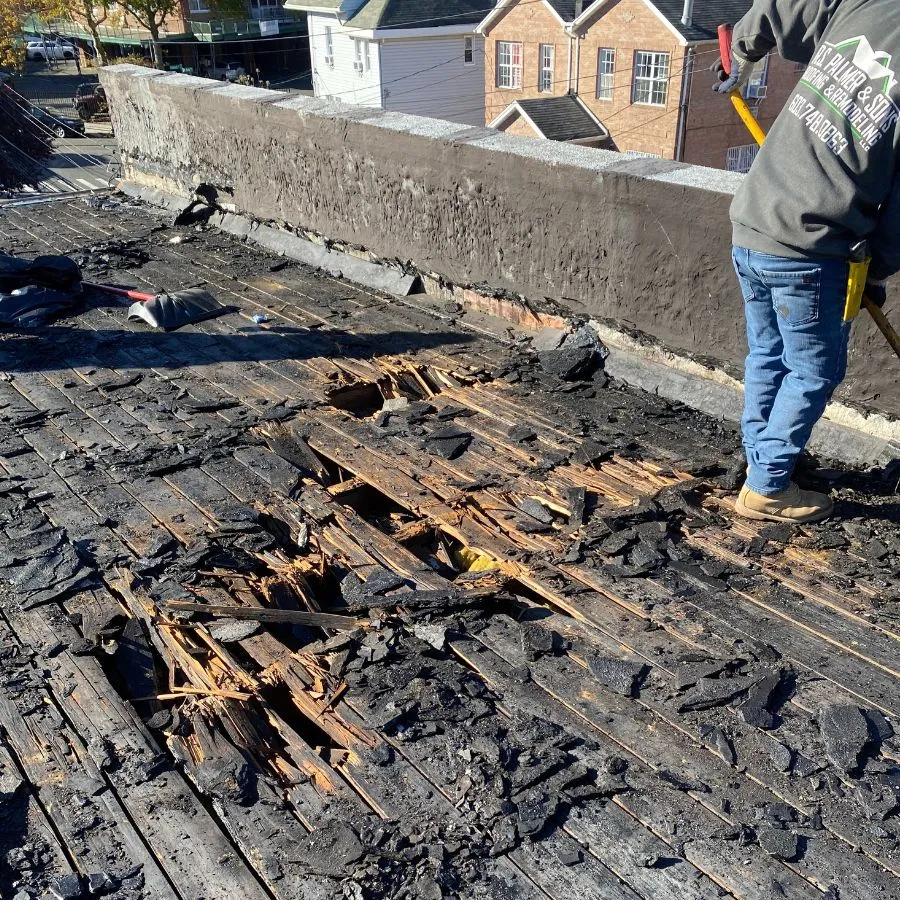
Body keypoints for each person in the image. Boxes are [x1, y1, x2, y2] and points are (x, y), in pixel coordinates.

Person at [713, 0, 898, 523]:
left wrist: (742, 55)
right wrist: (876, 270)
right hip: (811, 246)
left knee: (769, 353)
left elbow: (781, 6)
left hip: (752, 220)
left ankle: (764, 461)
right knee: (815, 370)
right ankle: (768, 488)